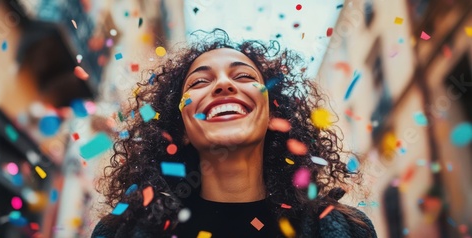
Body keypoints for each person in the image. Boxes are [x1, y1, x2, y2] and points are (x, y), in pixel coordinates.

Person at [91, 29, 377, 238]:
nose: (224, 84)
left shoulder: (347, 229)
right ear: (181, 130)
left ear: (272, 117)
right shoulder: (120, 231)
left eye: (244, 76)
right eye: (200, 81)